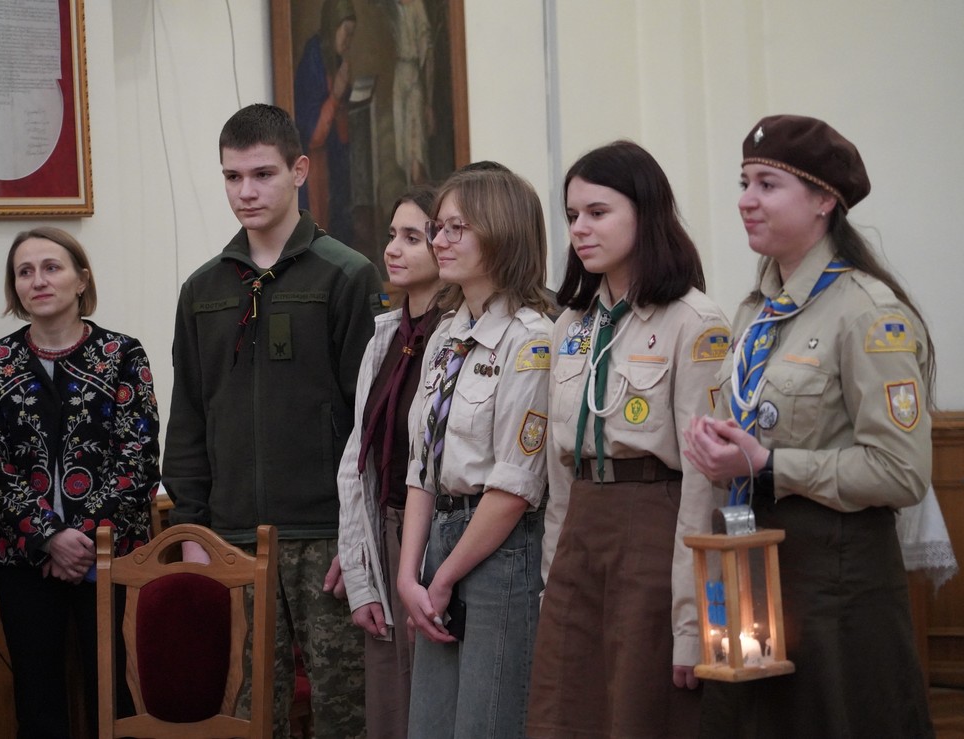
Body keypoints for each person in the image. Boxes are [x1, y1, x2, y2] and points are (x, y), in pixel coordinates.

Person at [683, 114, 936, 738]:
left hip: (836, 576)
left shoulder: (867, 312)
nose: (746, 200)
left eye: (767, 185)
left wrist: (769, 465)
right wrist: (721, 448)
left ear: (825, 200)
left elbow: (901, 472)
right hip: (756, 566)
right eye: (744, 183)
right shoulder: (756, 311)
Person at [163, 103, 385, 738]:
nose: (246, 192)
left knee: (346, 714)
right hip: (232, 539)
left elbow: (372, 422)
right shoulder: (202, 290)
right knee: (250, 716)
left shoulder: (348, 275)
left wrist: (360, 535)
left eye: (262, 174)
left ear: (299, 171)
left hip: (328, 539)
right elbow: (189, 417)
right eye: (232, 177)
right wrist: (191, 529)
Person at [526, 140, 729, 738]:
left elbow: (705, 482)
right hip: (580, 533)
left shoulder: (695, 322)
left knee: (640, 709)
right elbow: (560, 469)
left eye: (598, 212)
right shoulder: (571, 325)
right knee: (564, 709)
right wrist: (552, 573)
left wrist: (692, 621)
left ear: (646, 212)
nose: (579, 229)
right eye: (572, 216)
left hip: (653, 527)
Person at [0, 227, 159, 738]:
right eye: (24, 272)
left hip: (112, 553)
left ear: (81, 280)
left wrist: (82, 539)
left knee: (116, 701)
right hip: (24, 558)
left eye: (51, 267)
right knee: (38, 704)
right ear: (14, 286)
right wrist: (49, 537)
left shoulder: (122, 354)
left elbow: (138, 459)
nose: (38, 280)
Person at [396, 167, 554, 737]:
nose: (439, 240)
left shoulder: (532, 339)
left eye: (456, 228)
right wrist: (410, 575)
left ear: (502, 232)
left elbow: (513, 486)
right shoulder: (445, 335)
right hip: (439, 543)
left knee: (486, 724)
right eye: (438, 228)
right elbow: (421, 465)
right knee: (430, 726)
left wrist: (442, 579)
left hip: (497, 551)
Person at [337, 185, 442, 738]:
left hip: (436, 535)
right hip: (385, 530)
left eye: (412, 238)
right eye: (391, 235)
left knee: (435, 705)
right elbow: (358, 459)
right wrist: (359, 569)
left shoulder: (455, 334)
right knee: (390, 708)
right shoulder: (386, 335)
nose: (392, 249)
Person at [294, 0, 357, 244]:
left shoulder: (334, 58)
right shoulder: (314, 58)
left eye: (352, 34)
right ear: (333, 26)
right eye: (346, 32)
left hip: (335, 159)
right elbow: (313, 133)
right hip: (317, 166)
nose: (349, 41)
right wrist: (337, 95)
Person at [390, 0, 434, 185]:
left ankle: (418, 186)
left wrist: (429, 104)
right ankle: (410, 187)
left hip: (414, 76)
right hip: (399, 76)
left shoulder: (417, 7)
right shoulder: (392, 6)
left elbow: (428, 56)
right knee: (402, 148)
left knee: (415, 145)